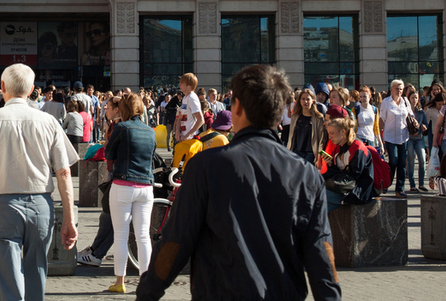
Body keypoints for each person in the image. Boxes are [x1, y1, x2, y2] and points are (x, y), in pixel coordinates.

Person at [137, 64, 339, 301]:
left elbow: (174, 244)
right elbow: (323, 258)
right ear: (280, 112)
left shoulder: (206, 167)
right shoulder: (306, 174)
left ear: (238, 107)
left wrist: (146, 294)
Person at [0, 63, 78, 301]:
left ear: (2, 87)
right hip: (41, 204)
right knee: (37, 273)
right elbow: (64, 173)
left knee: (8, 279)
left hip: (4, 205)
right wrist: (69, 218)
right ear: (32, 88)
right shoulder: (49, 122)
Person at [103, 92, 155, 294]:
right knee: (143, 236)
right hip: (146, 187)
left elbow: (109, 154)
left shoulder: (122, 128)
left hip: (123, 185)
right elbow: (151, 157)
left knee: (121, 235)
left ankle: (120, 281)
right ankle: (146, 282)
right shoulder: (150, 131)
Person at [322, 113, 376, 212]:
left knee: (318, 197)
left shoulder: (357, 147)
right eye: (329, 133)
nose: (330, 137)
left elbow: (354, 176)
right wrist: (330, 164)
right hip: (342, 188)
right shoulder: (337, 148)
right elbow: (337, 173)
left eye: (332, 133)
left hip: (357, 191)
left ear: (343, 132)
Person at [379, 79, 413, 196]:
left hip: (403, 136)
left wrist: (417, 123)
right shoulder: (386, 102)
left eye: (401, 89)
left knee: (402, 163)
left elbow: (410, 116)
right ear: (391, 89)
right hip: (390, 137)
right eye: (396, 89)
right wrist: (379, 137)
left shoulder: (405, 101)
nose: (399, 91)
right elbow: (381, 120)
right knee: (393, 161)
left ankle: (400, 189)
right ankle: (386, 183)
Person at [285, 87, 327, 164]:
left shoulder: (318, 118)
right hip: (296, 152)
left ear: (313, 101)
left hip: (311, 153)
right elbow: (291, 136)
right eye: (303, 99)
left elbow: (321, 140)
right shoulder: (295, 116)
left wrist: (319, 158)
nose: (305, 101)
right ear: (299, 101)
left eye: (308, 99)